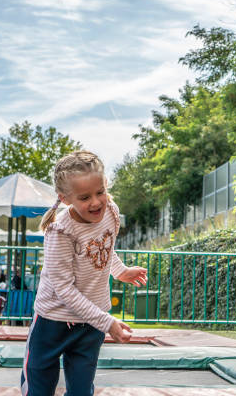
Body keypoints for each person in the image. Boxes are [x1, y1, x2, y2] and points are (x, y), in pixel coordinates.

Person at [21, 150, 148, 396]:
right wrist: (107, 322)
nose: (96, 202)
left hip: (90, 321)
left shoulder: (110, 211)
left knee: (81, 391)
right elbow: (64, 289)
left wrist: (120, 271)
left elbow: (103, 248)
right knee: (39, 386)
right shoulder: (60, 231)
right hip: (53, 319)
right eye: (84, 197)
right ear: (66, 199)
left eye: (100, 192)